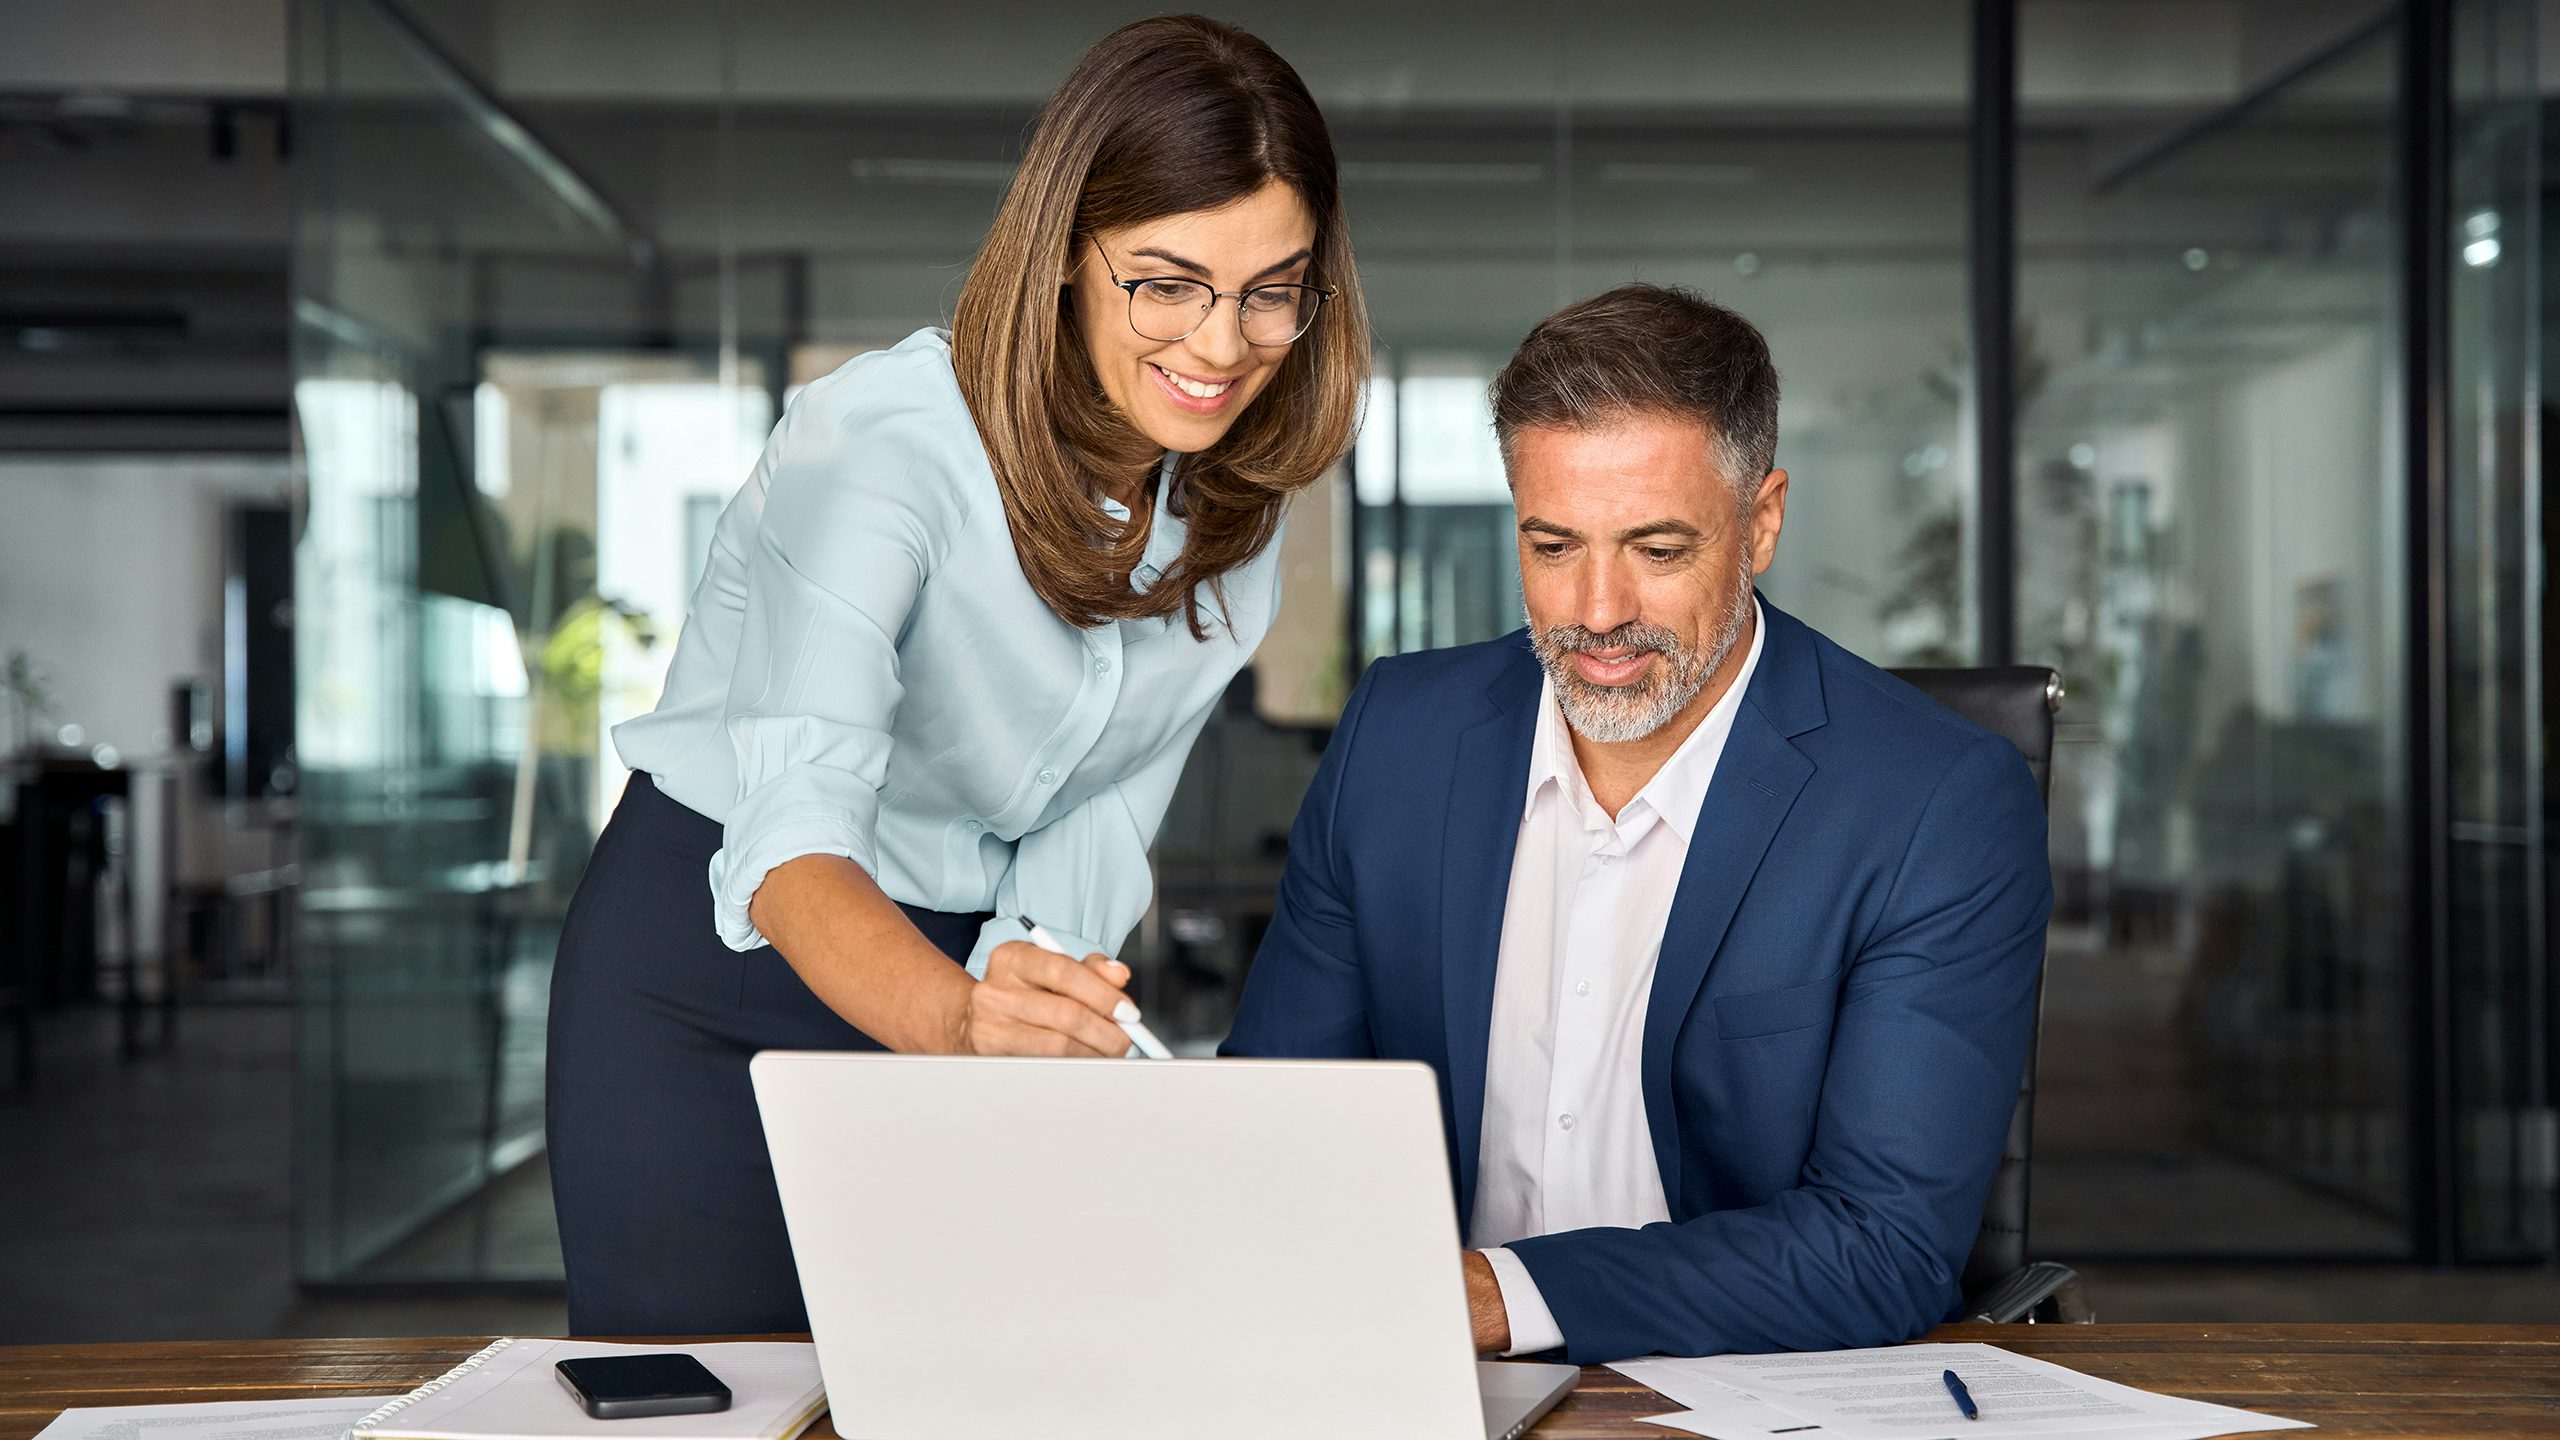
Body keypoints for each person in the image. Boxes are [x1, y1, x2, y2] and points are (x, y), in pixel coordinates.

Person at [548, 14, 1370, 1336]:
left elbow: (1096, 825)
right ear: (1063, 259)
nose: (1222, 345)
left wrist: (1020, 1019)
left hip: (971, 972)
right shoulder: (884, 448)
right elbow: (794, 837)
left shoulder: (1234, 530)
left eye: (1272, 289)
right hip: (725, 964)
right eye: (1165, 282)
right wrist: (962, 1028)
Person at [1222, 284, 2050, 1362]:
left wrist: (1492, 1296)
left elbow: (1877, 1246)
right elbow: (1274, 1123)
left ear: (1760, 522)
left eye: (1657, 551)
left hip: (1736, 1392)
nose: (1597, 612)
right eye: (1553, 546)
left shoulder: (1934, 803)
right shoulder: (1399, 738)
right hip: (1407, 1377)